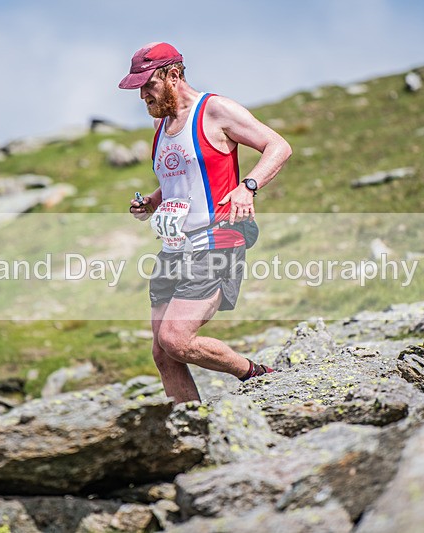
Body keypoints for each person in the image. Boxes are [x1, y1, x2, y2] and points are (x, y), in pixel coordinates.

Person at [120, 42, 292, 404]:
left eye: (148, 85)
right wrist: (152, 201)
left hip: (216, 241)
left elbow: (278, 146)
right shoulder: (161, 123)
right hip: (174, 248)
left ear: (173, 75)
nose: (143, 96)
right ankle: (190, 430)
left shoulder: (215, 110)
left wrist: (248, 187)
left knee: (176, 339)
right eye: (139, 88)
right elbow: (181, 179)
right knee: (162, 354)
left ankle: (256, 374)